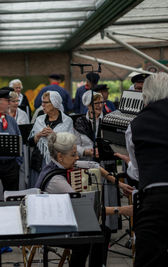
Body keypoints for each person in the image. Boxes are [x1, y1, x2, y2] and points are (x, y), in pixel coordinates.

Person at [35, 132, 133, 267]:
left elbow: (94, 166)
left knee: (102, 230)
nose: (77, 158)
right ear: (60, 156)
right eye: (73, 154)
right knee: (88, 238)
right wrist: (122, 210)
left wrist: (118, 183)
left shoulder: (59, 164)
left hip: (64, 219)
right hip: (50, 227)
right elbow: (87, 210)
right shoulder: (56, 180)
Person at [114, 72, 168, 267]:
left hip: (154, 201)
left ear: (145, 96)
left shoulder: (135, 125)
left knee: (150, 258)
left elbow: (136, 173)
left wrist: (129, 162)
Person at [28, 91, 74, 187]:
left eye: (45, 102)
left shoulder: (67, 121)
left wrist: (54, 135)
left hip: (57, 164)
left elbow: (70, 143)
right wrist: (39, 135)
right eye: (42, 102)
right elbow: (30, 142)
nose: (42, 105)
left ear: (54, 103)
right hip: (39, 163)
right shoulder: (40, 119)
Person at [74, 90, 104, 160]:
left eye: (101, 102)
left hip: (105, 162)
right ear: (88, 105)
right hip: (86, 162)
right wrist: (85, 151)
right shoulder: (80, 122)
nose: (100, 106)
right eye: (96, 103)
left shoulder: (107, 120)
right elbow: (75, 145)